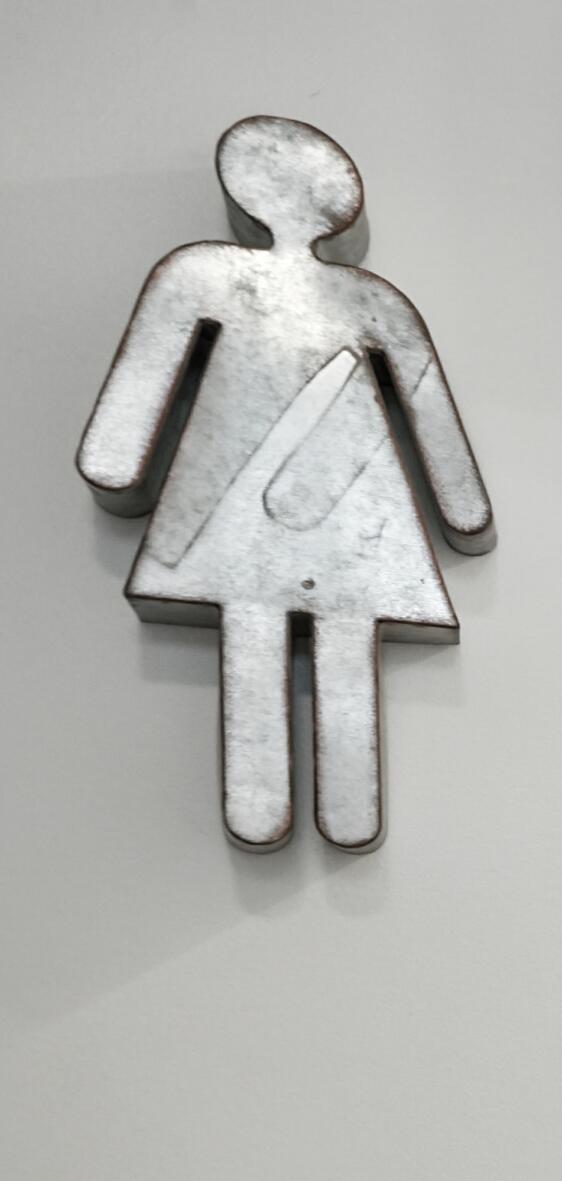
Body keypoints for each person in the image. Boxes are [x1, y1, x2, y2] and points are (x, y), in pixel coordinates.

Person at [78, 115, 495, 853]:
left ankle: (264, 805)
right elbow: (434, 423)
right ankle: (340, 809)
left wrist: (115, 460)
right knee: (335, 639)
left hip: (245, 504)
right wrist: (463, 513)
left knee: (256, 631)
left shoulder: (202, 273)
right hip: (342, 503)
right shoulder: (370, 299)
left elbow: (128, 415)